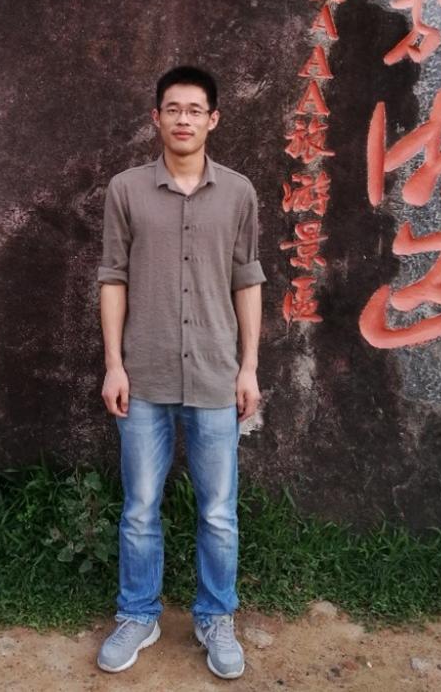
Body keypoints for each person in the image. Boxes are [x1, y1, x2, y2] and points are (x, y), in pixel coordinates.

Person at [96, 65, 266, 680]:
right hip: (144, 376)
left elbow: (247, 280)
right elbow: (112, 277)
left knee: (219, 511)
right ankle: (137, 613)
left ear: (213, 119)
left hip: (218, 376)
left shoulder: (239, 193)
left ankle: (216, 616)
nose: (184, 119)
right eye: (173, 109)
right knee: (141, 507)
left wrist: (249, 367)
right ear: (156, 118)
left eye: (195, 110)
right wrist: (113, 365)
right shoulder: (126, 190)